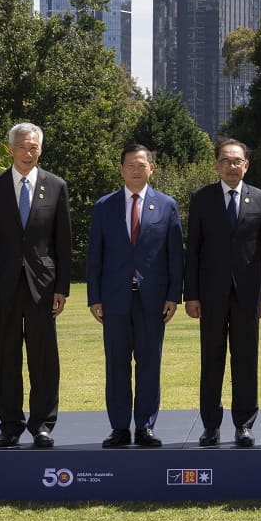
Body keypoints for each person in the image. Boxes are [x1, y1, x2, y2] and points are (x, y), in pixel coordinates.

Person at [0, 122, 71, 449]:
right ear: (10, 149)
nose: (28, 153)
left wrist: (62, 288)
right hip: (1, 287)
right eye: (22, 147)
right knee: (6, 358)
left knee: (44, 358)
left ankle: (43, 424)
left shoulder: (56, 186)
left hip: (43, 287)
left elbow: (63, 242)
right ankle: (10, 425)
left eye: (33, 147)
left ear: (40, 150)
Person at [86, 144, 182, 448]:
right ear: (121, 169)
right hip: (114, 299)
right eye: (130, 165)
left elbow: (174, 255)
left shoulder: (167, 205)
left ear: (152, 168)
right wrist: (94, 297)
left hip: (152, 299)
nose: (136, 170)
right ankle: (119, 428)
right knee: (116, 364)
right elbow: (94, 256)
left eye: (142, 165)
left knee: (149, 363)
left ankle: (145, 427)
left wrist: (173, 295)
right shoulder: (105, 206)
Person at [184, 138, 261, 448]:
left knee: (246, 360)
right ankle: (210, 425)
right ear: (216, 164)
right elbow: (193, 249)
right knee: (211, 360)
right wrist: (191, 295)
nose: (231, 166)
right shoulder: (202, 198)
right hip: (210, 295)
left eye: (237, 161)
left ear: (246, 165)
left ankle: (244, 425)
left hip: (249, 296)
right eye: (225, 160)